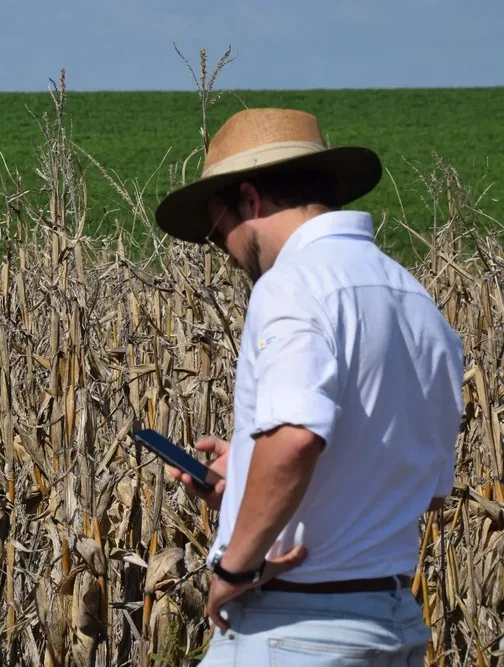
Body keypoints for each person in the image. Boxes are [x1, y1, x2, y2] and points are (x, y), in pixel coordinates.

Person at [152, 107, 465, 665]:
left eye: (218, 227)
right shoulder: (418, 304)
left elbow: (295, 439)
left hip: (294, 628)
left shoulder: (292, 285)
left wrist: (235, 565)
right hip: (392, 626)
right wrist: (249, 470)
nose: (222, 249)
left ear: (249, 200)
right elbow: (424, 486)